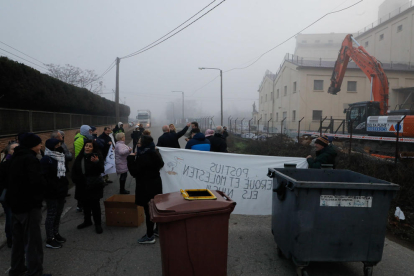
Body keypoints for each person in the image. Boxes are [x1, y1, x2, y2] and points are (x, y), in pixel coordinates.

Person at [6, 133, 45, 276]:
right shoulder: (30, 159)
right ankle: (35, 271)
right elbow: (36, 183)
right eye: (39, 144)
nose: (41, 146)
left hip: (15, 206)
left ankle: (16, 268)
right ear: (32, 145)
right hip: (29, 206)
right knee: (33, 241)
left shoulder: (14, 158)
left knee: (18, 241)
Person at [127, 135, 164, 244]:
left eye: (138, 143)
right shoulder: (154, 153)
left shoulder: (143, 157)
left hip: (145, 186)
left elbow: (134, 172)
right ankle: (157, 230)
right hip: (156, 184)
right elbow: (161, 164)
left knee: (148, 211)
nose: (137, 145)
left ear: (143, 145)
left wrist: (130, 159)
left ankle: (149, 235)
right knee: (155, 208)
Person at [72, 140, 105, 234]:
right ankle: (87, 221)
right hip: (82, 185)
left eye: (90, 146)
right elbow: (74, 169)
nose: (87, 148)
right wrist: (76, 180)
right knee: (85, 204)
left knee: (95, 205)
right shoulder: (80, 157)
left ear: (93, 148)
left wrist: (97, 162)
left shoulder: (97, 156)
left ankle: (98, 224)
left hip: (94, 184)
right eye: (86, 146)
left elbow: (101, 169)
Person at [41, 138, 69, 249]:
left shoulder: (61, 156)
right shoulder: (46, 159)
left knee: (58, 214)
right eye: (56, 145)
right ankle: (50, 238)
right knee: (51, 215)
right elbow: (44, 177)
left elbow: (63, 173)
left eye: (59, 145)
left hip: (61, 191)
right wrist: (50, 188)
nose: (59, 147)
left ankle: (56, 233)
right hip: (51, 192)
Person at [0, 142, 18, 248]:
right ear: (8, 151)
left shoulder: (22, 162)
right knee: (10, 217)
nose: (15, 151)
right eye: (12, 149)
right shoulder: (4, 165)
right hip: (8, 196)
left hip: (19, 195)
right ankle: (10, 238)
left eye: (17, 149)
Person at [74, 125, 92, 212]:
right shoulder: (81, 140)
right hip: (82, 166)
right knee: (82, 186)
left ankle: (81, 204)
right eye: (89, 131)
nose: (90, 133)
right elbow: (81, 154)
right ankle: (81, 205)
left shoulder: (82, 138)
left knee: (82, 187)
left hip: (82, 165)